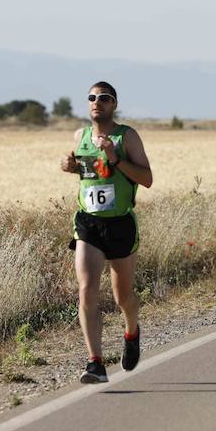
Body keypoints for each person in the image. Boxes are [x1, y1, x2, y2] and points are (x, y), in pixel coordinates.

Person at [60, 82, 153, 383]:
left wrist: (115, 157)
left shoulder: (127, 137)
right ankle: (95, 362)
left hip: (120, 223)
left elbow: (147, 178)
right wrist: (71, 166)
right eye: (92, 98)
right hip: (88, 222)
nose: (96, 102)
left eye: (104, 98)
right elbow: (88, 172)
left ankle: (132, 330)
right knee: (86, 288)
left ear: (114, 104)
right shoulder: (81, 136)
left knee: (122, 295)